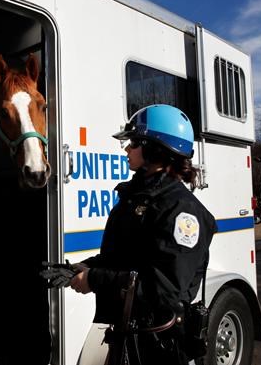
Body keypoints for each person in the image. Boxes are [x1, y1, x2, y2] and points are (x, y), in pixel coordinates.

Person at [68, 104, 217, 365]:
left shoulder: (182, 211)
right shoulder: (138, 197)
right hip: (128, 338)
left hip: (157, 347)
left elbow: (163, 290)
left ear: (156, 149)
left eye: (135, 142)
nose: (127, 148)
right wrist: (85, 267)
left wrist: (94, 279)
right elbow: (126, 257)